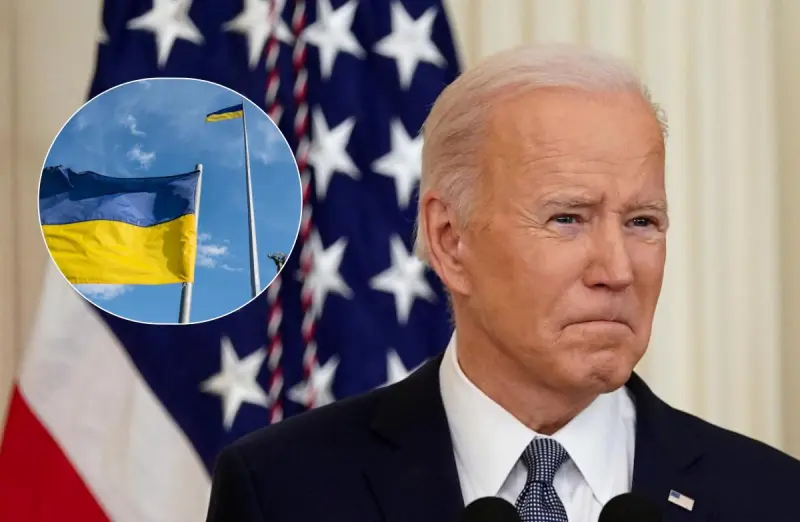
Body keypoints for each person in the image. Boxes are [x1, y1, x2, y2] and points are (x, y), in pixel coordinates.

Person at [205, 43, 800, 522]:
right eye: (567, 219)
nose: (618, 271)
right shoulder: (283, 491)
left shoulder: (772, 498)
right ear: (450, 240)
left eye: (642, 222)